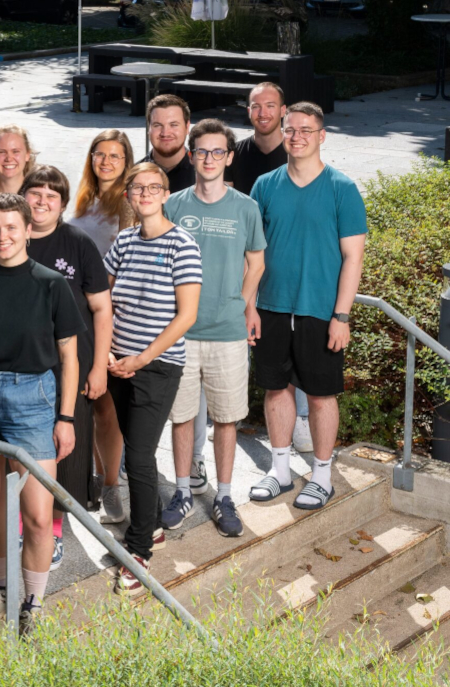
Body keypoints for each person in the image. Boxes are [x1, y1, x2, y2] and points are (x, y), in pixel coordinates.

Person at [0, 166, 111, 571]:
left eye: (53, 194)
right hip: (3, 373)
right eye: (36, 193)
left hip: (63, 368)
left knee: (63, 451)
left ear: (63, 204)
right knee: (7, 468)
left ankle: (54, 530)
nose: (43, 200)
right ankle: (19, 534)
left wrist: (97, 365)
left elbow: (101, 307)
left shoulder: (78, 245)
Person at [0, 193, 83, 633]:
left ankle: (34, 601)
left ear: (28, 229)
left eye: (11, 227)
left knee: (38, 514)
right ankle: (1, 589)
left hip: (34, 399)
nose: (2, 236)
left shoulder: (51, 284)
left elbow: (70, 355)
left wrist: (65, 419)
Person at [247, 102, 367, 511]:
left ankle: (321, 475)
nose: (296, 136)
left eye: (305, 129)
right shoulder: (264, 185)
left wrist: (342, 316)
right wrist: (249, 306)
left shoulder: (342, 188)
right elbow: (252, 253)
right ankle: (280, 470)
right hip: (271, 308)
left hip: (320, 311)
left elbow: (353, 257)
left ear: (321, 135)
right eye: (290, 129)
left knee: (320, 395)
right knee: (275, 389)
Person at [160, 119, 266, 538]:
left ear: (229, 157)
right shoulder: (174, 205)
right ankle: (183, 491)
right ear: (191, 156)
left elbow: (256, 262)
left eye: (217, 151)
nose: (208, 159)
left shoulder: (246, 207)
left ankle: (224, 496)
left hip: (227, 333)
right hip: (179, 333)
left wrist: (241, 303)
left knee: (226, 419)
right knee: (182, 418)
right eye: (201, 151)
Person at [104, 162, 201, 594]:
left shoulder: (182, 245)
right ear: (128, 196)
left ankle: (140, 548)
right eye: (137, 187)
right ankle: (152, 525)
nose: (144, 193)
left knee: (138, 456)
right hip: (117, 364)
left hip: (156, 366)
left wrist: (140, 358)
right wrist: (108, 352)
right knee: (137, 453)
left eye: (153, 187)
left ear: (165, 194)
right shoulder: (124, 241)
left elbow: (186, 316)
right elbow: (102, 299)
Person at [225, 81, 313, 454]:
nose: (262, 112)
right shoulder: (237, 154)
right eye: (255, 106)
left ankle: (304, 419)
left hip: (285, 264)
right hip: (242, 262)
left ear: (283, 110)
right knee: (239, 337)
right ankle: (233, 413)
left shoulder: (296, 151)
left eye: (270, 105)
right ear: (248, 111)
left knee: (297, 339)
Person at [70, 129, 136, 526]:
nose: (107, 162)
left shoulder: (126, 203)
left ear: (127, 161)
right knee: (91, 405)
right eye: (100, 154)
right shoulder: (83, 198)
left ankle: (112, 484)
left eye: (115, 156)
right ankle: (97, 476)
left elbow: (126, 263)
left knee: (107, 407)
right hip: (78, 310)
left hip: (109, 313)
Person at [139, 94, 195, 193]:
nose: (165, 133)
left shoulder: (202, 177)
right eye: (157, 125)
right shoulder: (132, 176)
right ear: (149, 129)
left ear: (187, 127)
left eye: (173, 125)